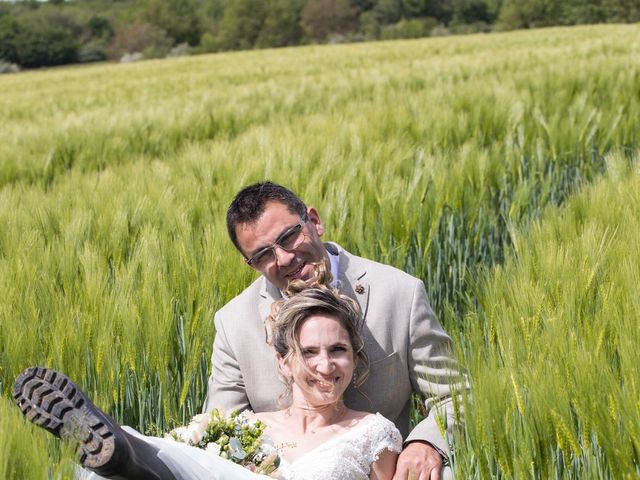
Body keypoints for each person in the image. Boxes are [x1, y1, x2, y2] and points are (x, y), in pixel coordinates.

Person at [13, 271, 403, 480]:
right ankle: (125, 452)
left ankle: (132, 458)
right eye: (309, 352)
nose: (325, 366)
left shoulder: (373, 435)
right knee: (185, 453)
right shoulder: (247, 426)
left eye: (339, 351)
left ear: (355, 358)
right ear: (283, 361)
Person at [204, 182, 466, 480]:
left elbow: (455, 396)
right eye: (263, 254)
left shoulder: (400, 294)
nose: (285, 258)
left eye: (289, 236)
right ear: (250, 264)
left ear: (314, 221)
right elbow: (221, 432)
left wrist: (426, 443)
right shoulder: (234, 323)